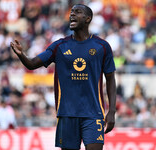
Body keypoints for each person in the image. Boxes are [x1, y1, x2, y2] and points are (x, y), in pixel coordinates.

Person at [11, 4, 116, 150]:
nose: (72, 15)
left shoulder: (102, 46)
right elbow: (32, 64)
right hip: (67, 114)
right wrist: (21, 55)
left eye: (77, 12)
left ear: (88, 18)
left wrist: (111, 111)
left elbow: (110, 79)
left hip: (93, 113)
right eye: (71, 12)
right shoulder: (59, 46)